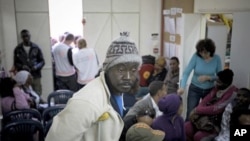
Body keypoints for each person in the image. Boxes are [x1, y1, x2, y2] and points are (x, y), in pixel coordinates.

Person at [45, 32, 142, 141]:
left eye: (133, 70)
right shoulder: (86, 102)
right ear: (107, 68)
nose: (128, 77)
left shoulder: (117, 91)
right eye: (121, 69)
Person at [185, 69, 238, 141]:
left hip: (216, 124)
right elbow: (205, 100)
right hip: (204, 119)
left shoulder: (232, 93)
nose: (216, 83)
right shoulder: (217, 89)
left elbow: (216, 109)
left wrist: (197, 110)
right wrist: (197, 110)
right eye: (217, 81)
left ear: (226, 83)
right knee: (186, 127)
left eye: (219, 82)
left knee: (198, 137)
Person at [178, 38, 222, 121]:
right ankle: (187, 131)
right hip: (195, 89)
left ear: (211, 51)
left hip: (210, 90)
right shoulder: (196, 57)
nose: (203, 54)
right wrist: (182, 87)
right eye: (201, 52)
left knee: (207, 113)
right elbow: (186, 72)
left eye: (205, 52)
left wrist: (209, 78)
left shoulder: (217, 59)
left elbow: (220, 76)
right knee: (190, 112)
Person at [14, 29, 45, 96]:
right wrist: (22, 66)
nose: (26, 38)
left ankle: (37, 105)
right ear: (21, 37)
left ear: (30, 36)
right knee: (25, 94)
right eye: (24, 36)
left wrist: (36, 67)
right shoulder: (18, 49)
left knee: (37, 92)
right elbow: (16, 63)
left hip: (35, 75)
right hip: (24, 77)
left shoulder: (36, 47)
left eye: (27, 36)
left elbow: (42, 61)